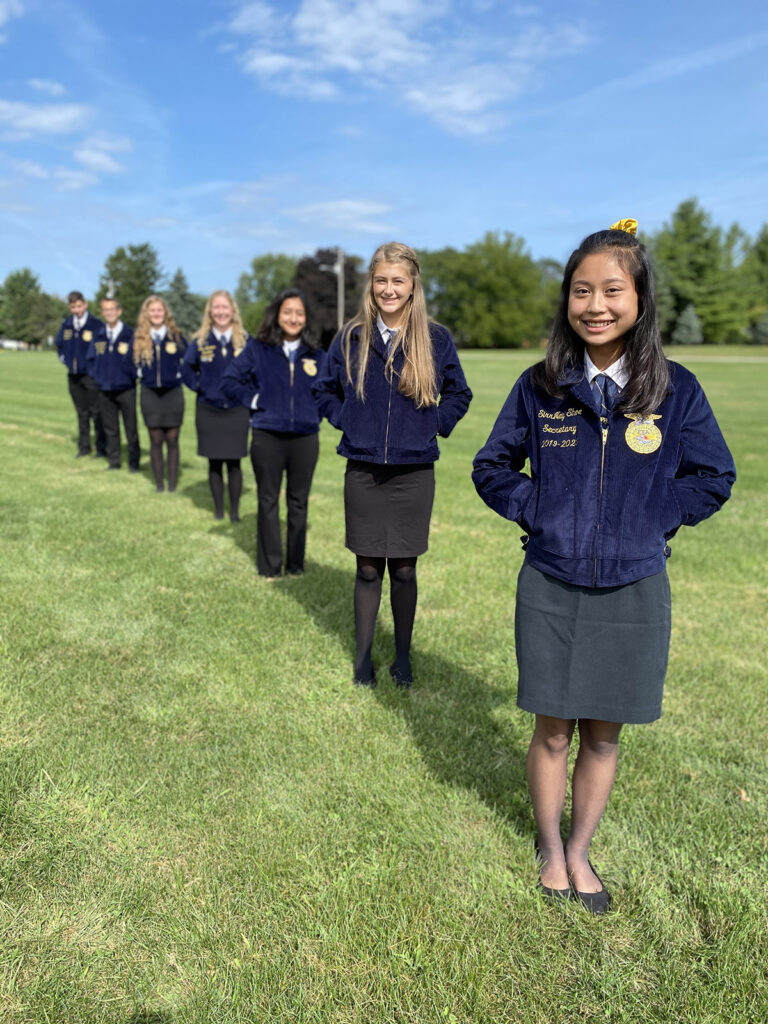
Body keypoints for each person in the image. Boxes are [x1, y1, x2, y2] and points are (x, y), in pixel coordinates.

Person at [472, 220, 736, 913]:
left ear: (640, 299)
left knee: (604, 732)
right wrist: (543, 511)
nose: (595, 305)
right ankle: (550, 847)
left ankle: (582, 848)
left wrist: (654, 516)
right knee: (553, 728)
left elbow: (714, 474)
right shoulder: (542, 387)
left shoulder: (674, 390)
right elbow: (491, 467)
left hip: (635, 585)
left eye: (612, 290)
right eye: (581, 290)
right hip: (552, 582)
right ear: (567, 299)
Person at [312, 242, 472, 688]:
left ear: (412, 285)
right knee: (366, 568)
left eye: (397, 280)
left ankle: (402, 657)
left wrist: (433, 424)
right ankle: (363, 660)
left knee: (403, 568)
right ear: (371, 284)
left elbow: (459, 393)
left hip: (413, 471)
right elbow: (324, 391)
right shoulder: (350, 337)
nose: (388, 289)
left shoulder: (435, 339)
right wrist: (348, 420)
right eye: (381, 280)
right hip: (363, 469)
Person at [222, 288, 325, 574]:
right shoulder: (259, 348)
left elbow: (333, 390)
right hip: (267, 436)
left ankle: (295, 566)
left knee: (298, 502)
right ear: (277, 315)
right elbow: (230, 380)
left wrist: (317, 413)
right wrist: (255, 401)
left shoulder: (317, 354)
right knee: (267, 500)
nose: (293, 318)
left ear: (306, 318)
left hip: (305, 437)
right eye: (287, 312)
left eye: (299, 313)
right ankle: (269, 566)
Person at [182, 291, 250, 521]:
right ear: (210, 312)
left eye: (225, 307)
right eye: (216, 308)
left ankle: (234, 512)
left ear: (232, 311)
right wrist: (201, 386)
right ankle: (219, 510)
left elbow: (257, 372)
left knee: (234, 462)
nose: (221, 312)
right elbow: (186, 370)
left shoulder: (245, 341)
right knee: (214, 461)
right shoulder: (200, 341)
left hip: (237, 410)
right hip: (208, 409)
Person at [134, 295, 187, 492]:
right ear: (146, 314)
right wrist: (138, 373)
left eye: (159, 310)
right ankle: (159, 484)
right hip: (150, 394)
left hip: (173, 394)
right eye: (152, 310)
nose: (156, 314)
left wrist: (181, 375)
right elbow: (128, 363)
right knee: (155, 439)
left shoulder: (176, 337)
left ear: (165, 313)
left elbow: (190, 361)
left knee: (172, 439)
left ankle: (172, 483)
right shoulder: (139, 337)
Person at [55, 290, 107, 458]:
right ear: (70, 308)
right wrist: (65, 360)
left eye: (79, 306)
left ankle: (101, 448)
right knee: (81, 412)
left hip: (90, 376)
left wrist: (95, 368)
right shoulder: (67, 325)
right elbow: (60, 344)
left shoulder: (95, 325)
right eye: (73, 307)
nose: (77, 310)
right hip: (74, 376)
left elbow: (102, 349)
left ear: (85, 305)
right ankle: (84, 447)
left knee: (96, 412)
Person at [91, 297, 140, 472]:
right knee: (110, 428)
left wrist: (133, 376)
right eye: (106, 310)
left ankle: (134, 463)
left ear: (119, 311)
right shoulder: (99, 335)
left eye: (112, 309)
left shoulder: (130, 334)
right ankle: (114, 461)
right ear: (103, 313)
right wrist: (97, 376)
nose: (109, 313)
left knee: (131, 427)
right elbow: (91, 358)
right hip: (104, 388)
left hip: (126, 388)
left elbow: (138, 359)